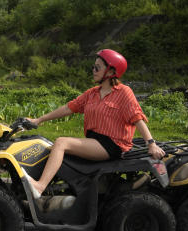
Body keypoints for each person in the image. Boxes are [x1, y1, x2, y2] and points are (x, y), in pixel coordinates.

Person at [25, 49, 165, 199]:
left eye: (97, 67)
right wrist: (38, 120)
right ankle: (53, 188)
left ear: (111, 71)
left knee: (61, 143)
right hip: (94, 141)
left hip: (112, 144)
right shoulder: (92, 93)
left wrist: (151, 143)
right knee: (49, 147)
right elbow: (68, 108)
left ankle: (39, 187)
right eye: (93, 67)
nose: (93, 70)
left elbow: (137, 118)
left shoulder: (124, 92)